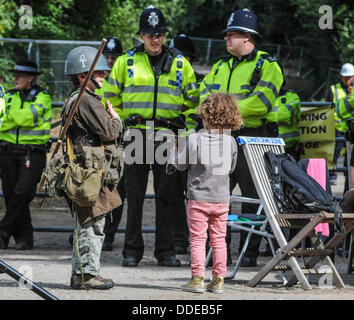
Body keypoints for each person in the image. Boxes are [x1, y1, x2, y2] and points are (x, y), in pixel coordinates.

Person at [103, 6, 199, 267]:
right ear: (141, 35)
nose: (154, 39)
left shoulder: (181, 64)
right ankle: (131, 250)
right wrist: (119, 129)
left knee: (167, 196)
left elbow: (194, 103)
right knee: (133, 195)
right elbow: (109, 100)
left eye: (159, 34)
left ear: (164, 34)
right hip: (135, 135)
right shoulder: (126, 62)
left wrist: (184, 132)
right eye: (148, 34)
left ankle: (165, 252)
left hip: (169, 136)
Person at [199, 8, 284, 267]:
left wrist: (221, 112)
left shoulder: (269, 66)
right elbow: (203, 97)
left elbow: (262, 103)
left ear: (247, 37)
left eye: (231, 34)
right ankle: (216, 252)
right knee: (215, 195)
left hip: (251, 138)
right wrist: (223, 114)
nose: (226, 39)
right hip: (221, 137)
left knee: (250, 198)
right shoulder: (220, 66)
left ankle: (249, 253)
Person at [63, 46, 123, 290]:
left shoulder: (79, 99)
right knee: (92, 222)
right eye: (98, 72)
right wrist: (115, 118)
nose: (103, 75)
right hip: (89, 172)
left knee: (89, 221)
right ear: (82, 75)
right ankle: (87, 275)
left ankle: (82, 274)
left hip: (86, 171)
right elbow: (110, 132)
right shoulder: (86, 101)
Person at [171, 93, 242, 294]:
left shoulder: (194, 139)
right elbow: (230, 168)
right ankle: (218, 280)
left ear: (206, 116)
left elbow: (181, 165)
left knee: (197, 240)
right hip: (221, 199)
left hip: (198, 198)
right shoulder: (231, 142)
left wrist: (174, 150)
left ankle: (197, 278)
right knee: (219, 239)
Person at [0, 60, 51, 250]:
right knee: (11, 195)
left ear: (30, 78)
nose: (15, 79)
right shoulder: (10, 96)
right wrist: (18, 117)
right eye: (14, 75)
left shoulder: (43, 97)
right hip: (7, 151)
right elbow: (2, 120)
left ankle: (3, 230)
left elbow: (29, 117)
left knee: (23, 194)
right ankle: (24, 239)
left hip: (32, 152)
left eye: (19, 76)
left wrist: (13, 116)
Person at [167, 33, 203, 254]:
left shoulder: (197, 82)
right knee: (172, 194)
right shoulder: (168, 77)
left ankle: (198, 241)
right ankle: (180, 239)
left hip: (194, 142)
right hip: (175, 142)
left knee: (196, 194)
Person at [96, 37, 125, 251]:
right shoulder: (96, 79)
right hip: (99, 138)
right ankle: (95, 228)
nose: (110, 61)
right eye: (106, 56)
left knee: (116, 186)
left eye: (113, 57)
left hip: (119, 137)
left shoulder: (124, 77)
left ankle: (109, 234)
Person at [327, 63, 354, 185]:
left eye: (349, 77)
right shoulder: (334, 89)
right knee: (334, 153)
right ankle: (332, 175)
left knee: (349, 156)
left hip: (350, 128)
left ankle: (347, 175)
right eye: (345, 77)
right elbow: (327, 107)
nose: (347, 79)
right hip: (336, 127)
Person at [277, 88, 302, 160]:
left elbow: (287, 115)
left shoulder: (292, 96)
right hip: (270, 145)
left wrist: (267, 115)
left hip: (289, 147)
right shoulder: (265, 95)